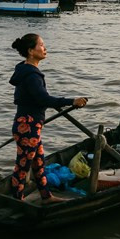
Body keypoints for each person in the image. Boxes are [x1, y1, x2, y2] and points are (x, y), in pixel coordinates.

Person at [9, 34, 88, 203]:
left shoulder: (24, 69)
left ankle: (46, 196)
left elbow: (34, 99)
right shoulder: (31, 75)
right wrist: (71, 101)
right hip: (28, 127)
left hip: (30, 126)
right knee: (22, 166)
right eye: (41, 45)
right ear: (31, 51)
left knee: (38, 163)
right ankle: (17, 200)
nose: (45, 49)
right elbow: (44, 99)